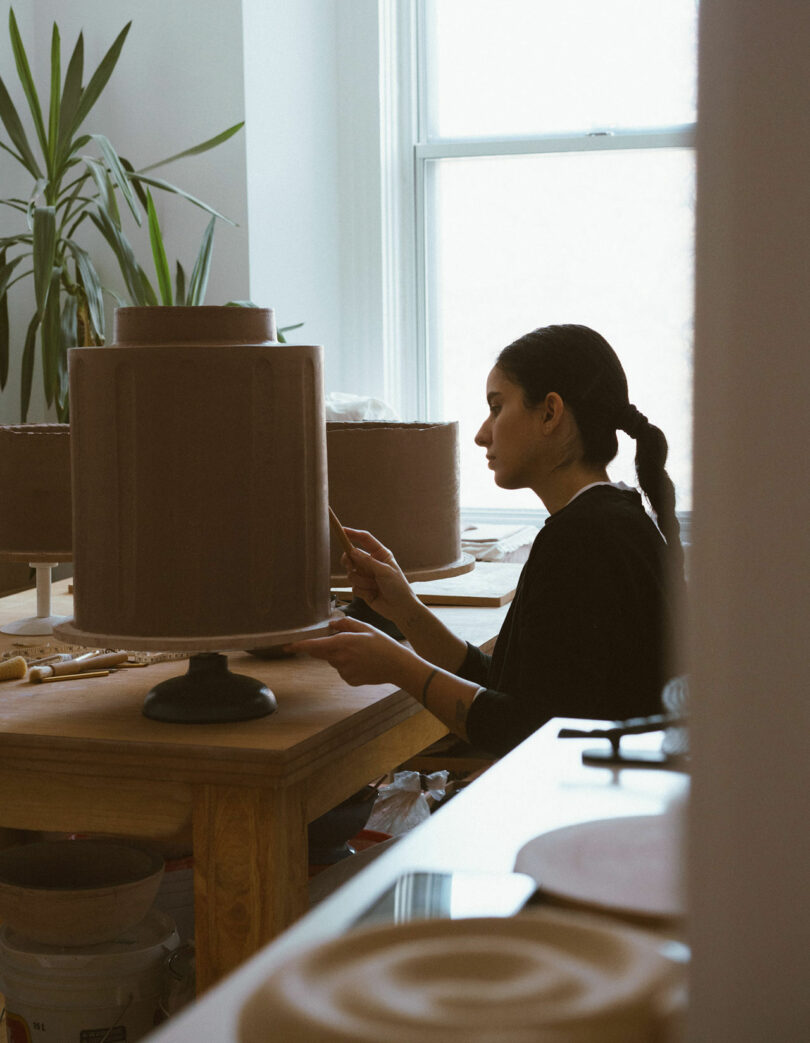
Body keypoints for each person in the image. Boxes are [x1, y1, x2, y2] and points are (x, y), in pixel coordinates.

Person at [291, 324, 685, 757]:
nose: (482, 433)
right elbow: (505, 687)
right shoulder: (605, 521)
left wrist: (399, 668)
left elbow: (523, 733)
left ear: (550, 413)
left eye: (497, 408)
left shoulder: (583, 540)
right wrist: (405, 610)